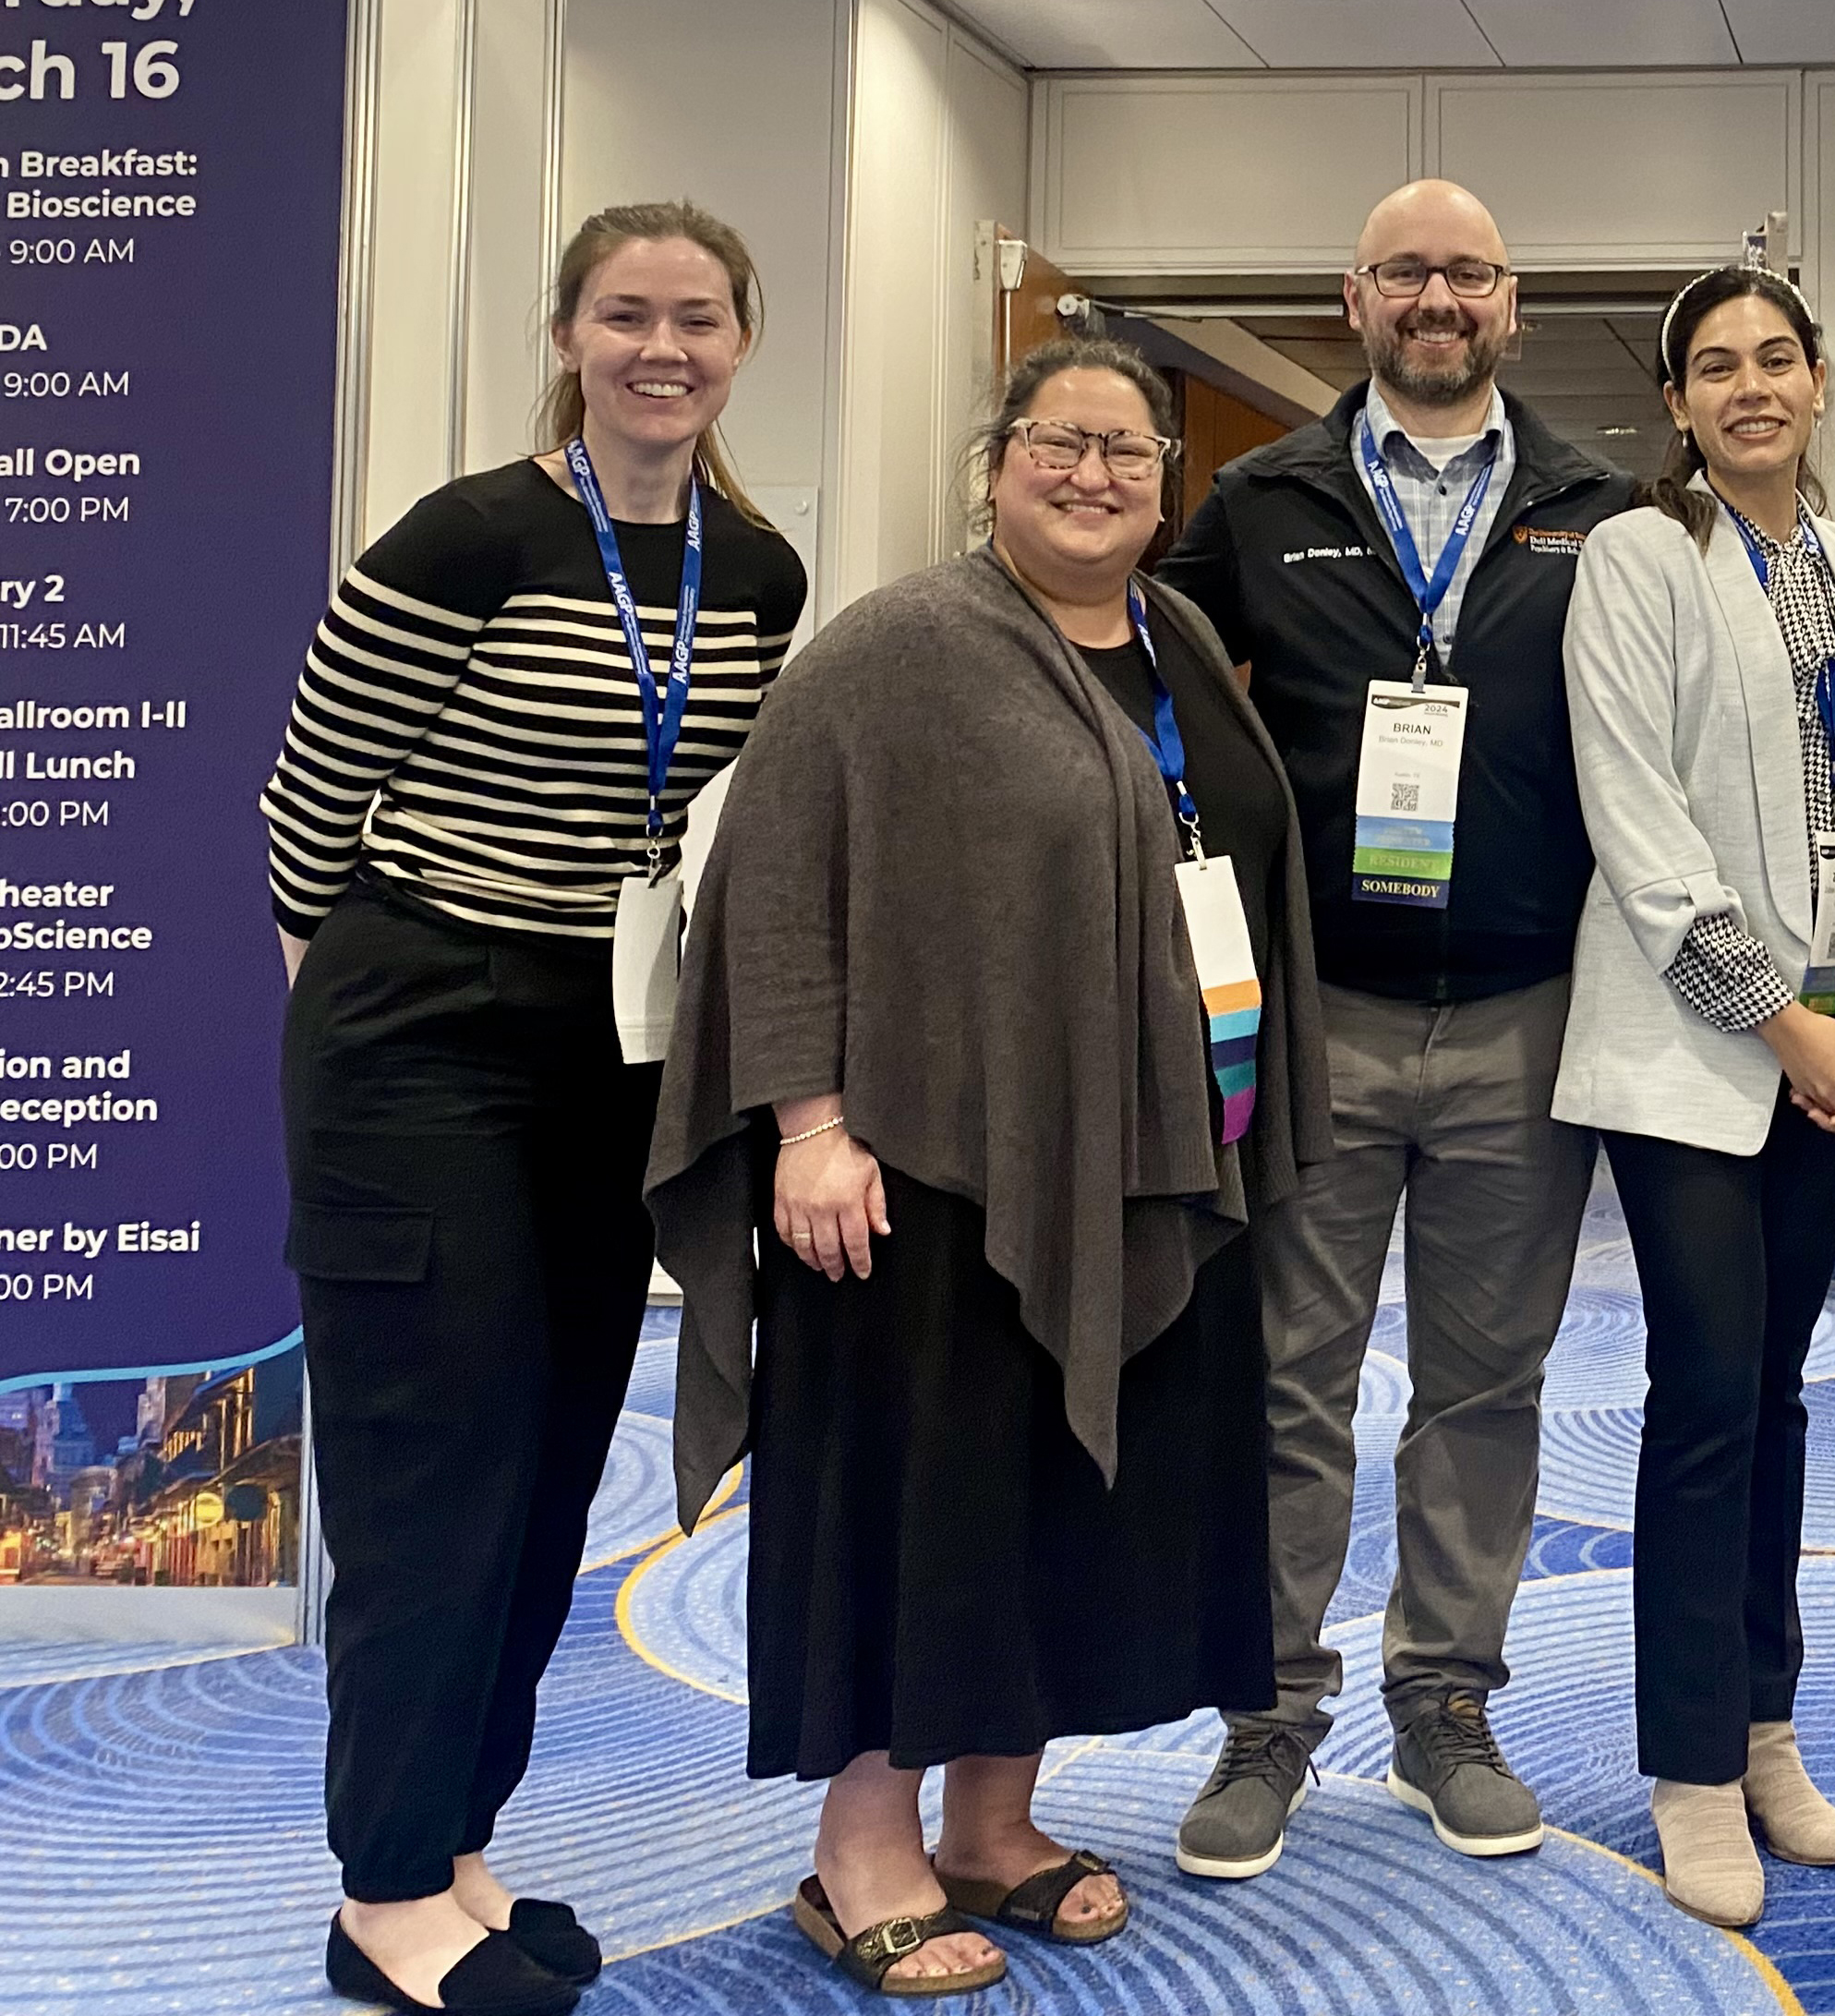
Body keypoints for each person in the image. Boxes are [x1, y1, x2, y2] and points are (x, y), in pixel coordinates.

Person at [644, 339, 1330, 1998]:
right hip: (930, 1169)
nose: (1093, 475)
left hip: (1153, 1155)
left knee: (1061, 1507)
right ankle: (858, 1853)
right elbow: (772, 886)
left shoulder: (1171, 638)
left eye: (1128, 450)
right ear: (996, 461)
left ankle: (994, 1828)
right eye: (1058, 442)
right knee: (922, 1507)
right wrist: (807, 1124)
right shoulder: (900, 648)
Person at [264, 202, 806, 2016]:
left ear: (744, 343)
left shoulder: (758, 574)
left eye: (700, 318)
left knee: (550, 1467)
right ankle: (381, 1899)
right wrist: (347, 1025)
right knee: (436, 1477)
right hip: (420, 1042)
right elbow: (304, 808)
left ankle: (457, 1847)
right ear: (568, 333)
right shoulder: (469, 535)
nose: (665, 347)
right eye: (628, 314)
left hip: (611, 1058)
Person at [1158, 179, 1636, 1878]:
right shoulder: (1251, 500)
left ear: (1510, 303)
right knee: (1290, 1385)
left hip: (1525, 1017)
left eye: (1470, 274)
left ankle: (1447, 1700)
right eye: (1406, 273)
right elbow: (1151, 703)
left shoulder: (1601, 504)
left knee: (1485, 1386)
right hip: (1320, 1021)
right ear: (1351, 300)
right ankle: (1268, 1717)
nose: (1439, 299)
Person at [1556, 265, 1835, 1929]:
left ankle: (1772, 1730)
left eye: (1778, 359)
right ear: (1681, 406)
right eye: (1717, 368)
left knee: (1776, 1393)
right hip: (1694, 1052)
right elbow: (1639, 825)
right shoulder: (1639, 559)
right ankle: (1691, 1772)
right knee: (1705, 1393)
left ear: (1819, 384)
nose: (1752, 387)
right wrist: (1786, 1024)